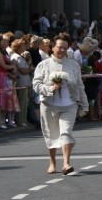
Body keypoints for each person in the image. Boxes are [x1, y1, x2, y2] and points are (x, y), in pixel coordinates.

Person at [32, 33, 89, 175]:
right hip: (49, 105)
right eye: (59, 47)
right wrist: (50, 88)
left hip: (69, 105)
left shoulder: (73, 64)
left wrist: (85, 104)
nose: (62, 50)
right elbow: (36, 85)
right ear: (52, 47)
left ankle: (66, 163)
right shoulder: (43, 64)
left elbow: (80, 86)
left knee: (66, 132)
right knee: (51, 135)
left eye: (65, 48)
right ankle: (52, 162)